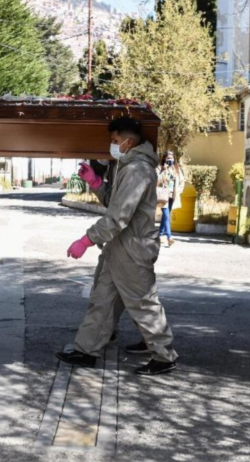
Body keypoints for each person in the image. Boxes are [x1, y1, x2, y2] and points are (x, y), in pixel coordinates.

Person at [58, 117, 179, 375]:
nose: (112, 146)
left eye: (115, 141)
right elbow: (115, 202)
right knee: (102, 301)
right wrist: (96, 184)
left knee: (143, 304)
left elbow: (119, 216)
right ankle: (86, 350)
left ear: (129, 141)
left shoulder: (137, 170)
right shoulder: (127, 166)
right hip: (119, 247)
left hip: (132, 250)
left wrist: (87, 239)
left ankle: (164, 356)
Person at [157, 151, 184, 247]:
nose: (170, 160)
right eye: (168, 158)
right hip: (163, 196)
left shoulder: (176, 169)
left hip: (173, 195)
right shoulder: (160, 168)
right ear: (164, 158)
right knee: (167, 216)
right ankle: (169, 237)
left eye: (171, 158)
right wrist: (163, 170)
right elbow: (156, 181)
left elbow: (181, 181)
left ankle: (159, 235)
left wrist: (179, 190)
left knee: (166, 216)